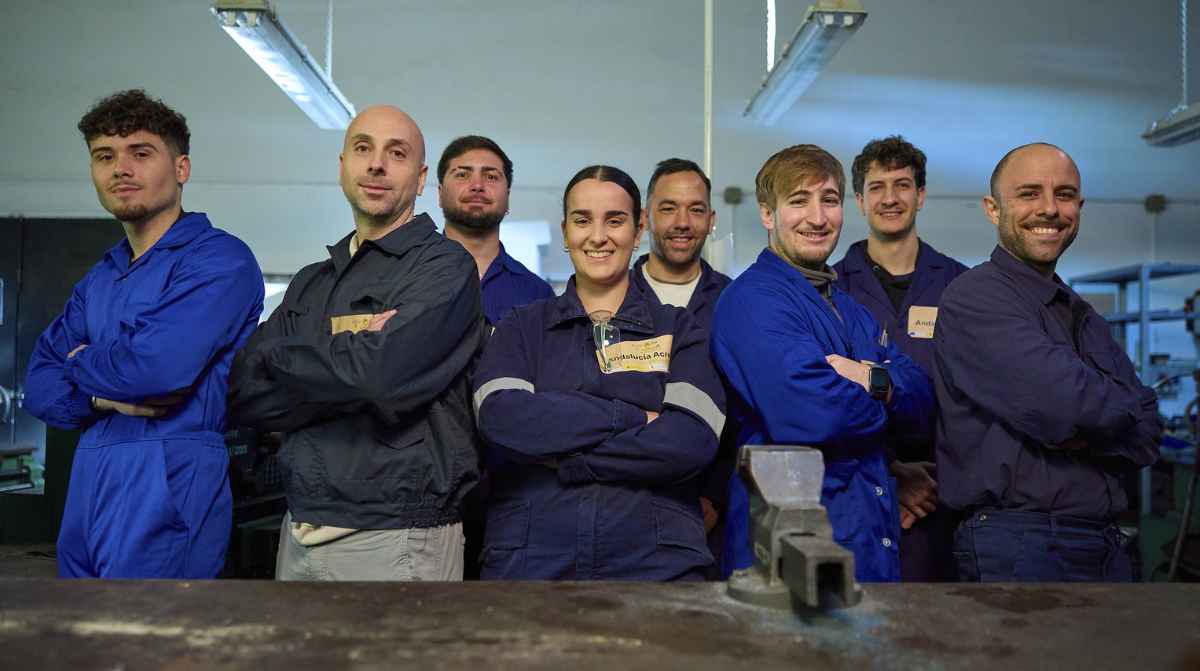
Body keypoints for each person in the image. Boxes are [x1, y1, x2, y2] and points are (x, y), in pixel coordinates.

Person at [228, 105, 485, 581]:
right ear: (342, 165)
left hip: (397, 534)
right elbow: (244, 387)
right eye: (363, 149)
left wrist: (283, 356)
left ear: (422, 176)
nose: (376, 165)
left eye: (397, 153)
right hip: (298, 523)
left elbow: (378, 377)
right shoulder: (311, 282)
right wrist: (343, 360)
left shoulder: (445, 269)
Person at [24, 89, 264, 578]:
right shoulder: (102, 276)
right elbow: (38, 386)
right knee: (82, 642)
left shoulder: (219, 260)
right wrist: (99, 399)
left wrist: (76, 361)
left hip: (171, 475)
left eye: (141, 152)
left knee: (149, 644)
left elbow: (155, 372)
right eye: (104, 156)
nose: (120, 169)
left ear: (181, 169)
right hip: (90, 477)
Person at [472, 165, 725, 580]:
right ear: (565, 230)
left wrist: (567, 458)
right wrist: (630, 417)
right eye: (583, 220)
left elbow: (691, 439)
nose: (598, 236)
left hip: (655, 561)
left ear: (638, 229)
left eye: (615, 220)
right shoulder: (522, 326)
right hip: (533, 558)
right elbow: (502, 418)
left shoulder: (680, 330)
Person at [933, 143, 1161, 582]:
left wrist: (1102, 424)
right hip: (1022, 543)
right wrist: (1115, 418)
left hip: (1102, 543)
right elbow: (1065, 405)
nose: (1050, 209)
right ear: (992, 209)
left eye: (1064, 194)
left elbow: (1150, 428)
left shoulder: (1080, 312)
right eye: (1029, 193)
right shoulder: (976, 297)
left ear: (1079, 206)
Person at [710, 144, 934, 582]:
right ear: (767, 215)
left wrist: (872, 378)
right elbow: (817, 415)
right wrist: (889, 394)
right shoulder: (754, 301)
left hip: (866, 538)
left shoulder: (851, 310)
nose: (817, 218)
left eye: (828, 200)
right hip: (789, 548)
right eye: (799, 201)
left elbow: (922, 402)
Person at [832, 136, 968, 581]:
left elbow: (974, 395)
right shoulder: (830, 290)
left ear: (921, 195)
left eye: (902, 185)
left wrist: (930, 479)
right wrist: (892, 471)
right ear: (859, 200)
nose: (890, 198)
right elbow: (824, 396)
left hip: (945, 491)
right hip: (860, 486)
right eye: (877, 187)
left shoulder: (962, 288)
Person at [629, 158, 733, 576]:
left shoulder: (735, 302)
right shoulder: (610, 298)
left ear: (711, 220)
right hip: (626, 502)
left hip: (714, 511)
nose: (682, 222)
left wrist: (715, 496)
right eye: (669, 208)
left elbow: (746, 411)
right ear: (645, 218)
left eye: (695, 209)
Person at [437, 135, 554, 325]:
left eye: (491, 177)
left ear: (507, 197)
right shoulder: (407, 276)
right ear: (440, 194)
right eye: (462, 175)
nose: (477, 186)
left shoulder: (538, 295)